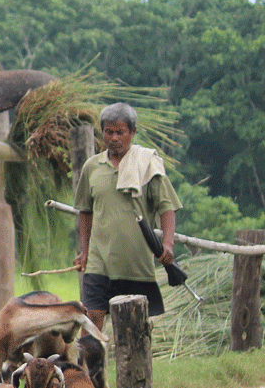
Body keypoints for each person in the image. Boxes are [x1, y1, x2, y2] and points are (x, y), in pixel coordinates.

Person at [72, 102, 182, 330]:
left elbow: (166, 206)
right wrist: (84, 250)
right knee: (92, 316)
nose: (113, 138)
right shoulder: (92, 167)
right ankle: (91, 365)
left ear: (132, 133)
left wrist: (168, 244)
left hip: (135, 262)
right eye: (108, 132)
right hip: (98, 259)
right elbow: (85, 210)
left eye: (120, 132)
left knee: (134, 324)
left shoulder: (147, 164)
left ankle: (134, 366)